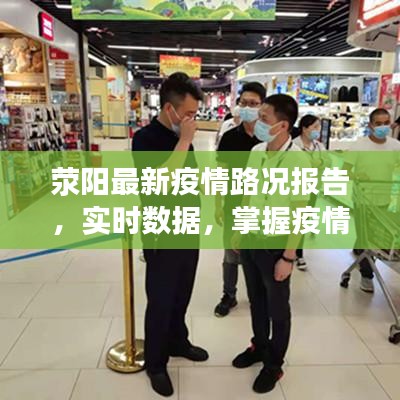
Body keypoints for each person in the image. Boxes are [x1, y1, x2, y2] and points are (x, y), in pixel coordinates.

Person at [132, 73, 208, 397]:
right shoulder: (145, 139)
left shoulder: (182, 135)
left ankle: (179, 341)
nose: (193, 120)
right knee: (161, 299)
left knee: (182, 292)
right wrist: (184, 142)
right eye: (188, 113)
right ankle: (156, 363)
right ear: (169, 109)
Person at [232, 94, 309, 394]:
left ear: (283, 125)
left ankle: (274, 364)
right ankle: (260, 346)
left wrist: (288, 257)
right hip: (251, 238)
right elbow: (248, 194)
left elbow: (300, 212)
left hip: (277, 244)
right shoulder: (256, 151)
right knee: (256, 300)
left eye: (264, 118)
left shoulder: (299, 161)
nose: (257, 121)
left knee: (278, 307)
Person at [214, 82, 266, 317]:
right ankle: (229, 294)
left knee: (258, 254)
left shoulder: (269, 139)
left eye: (253, 104)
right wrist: (217, 204)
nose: (247, 108)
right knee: (230, 254)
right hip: (234, 201)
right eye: (244, 103)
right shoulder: (229, 138)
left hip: (263, 205)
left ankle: (259, 295)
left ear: (262, 106)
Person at [345, 108, 400, 293]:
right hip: (363, 199)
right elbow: (345, 171)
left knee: (374, 237)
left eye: (386, 123)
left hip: (384, 199)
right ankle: (367, 275)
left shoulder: (395, 146)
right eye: (378, 124)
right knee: (366, 237)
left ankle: (359, 250)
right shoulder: (359, 146)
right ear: (370, 125)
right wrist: (357, 175)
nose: (383, 127)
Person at [293, 114, 327, 270]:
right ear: (304, 128)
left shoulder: (319, 146)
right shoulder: (294, 145)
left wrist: (320, 163)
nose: (317, 130)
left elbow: (327, 162)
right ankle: (297, 253)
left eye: (318, 127)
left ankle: (296, 251)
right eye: (315, 127)